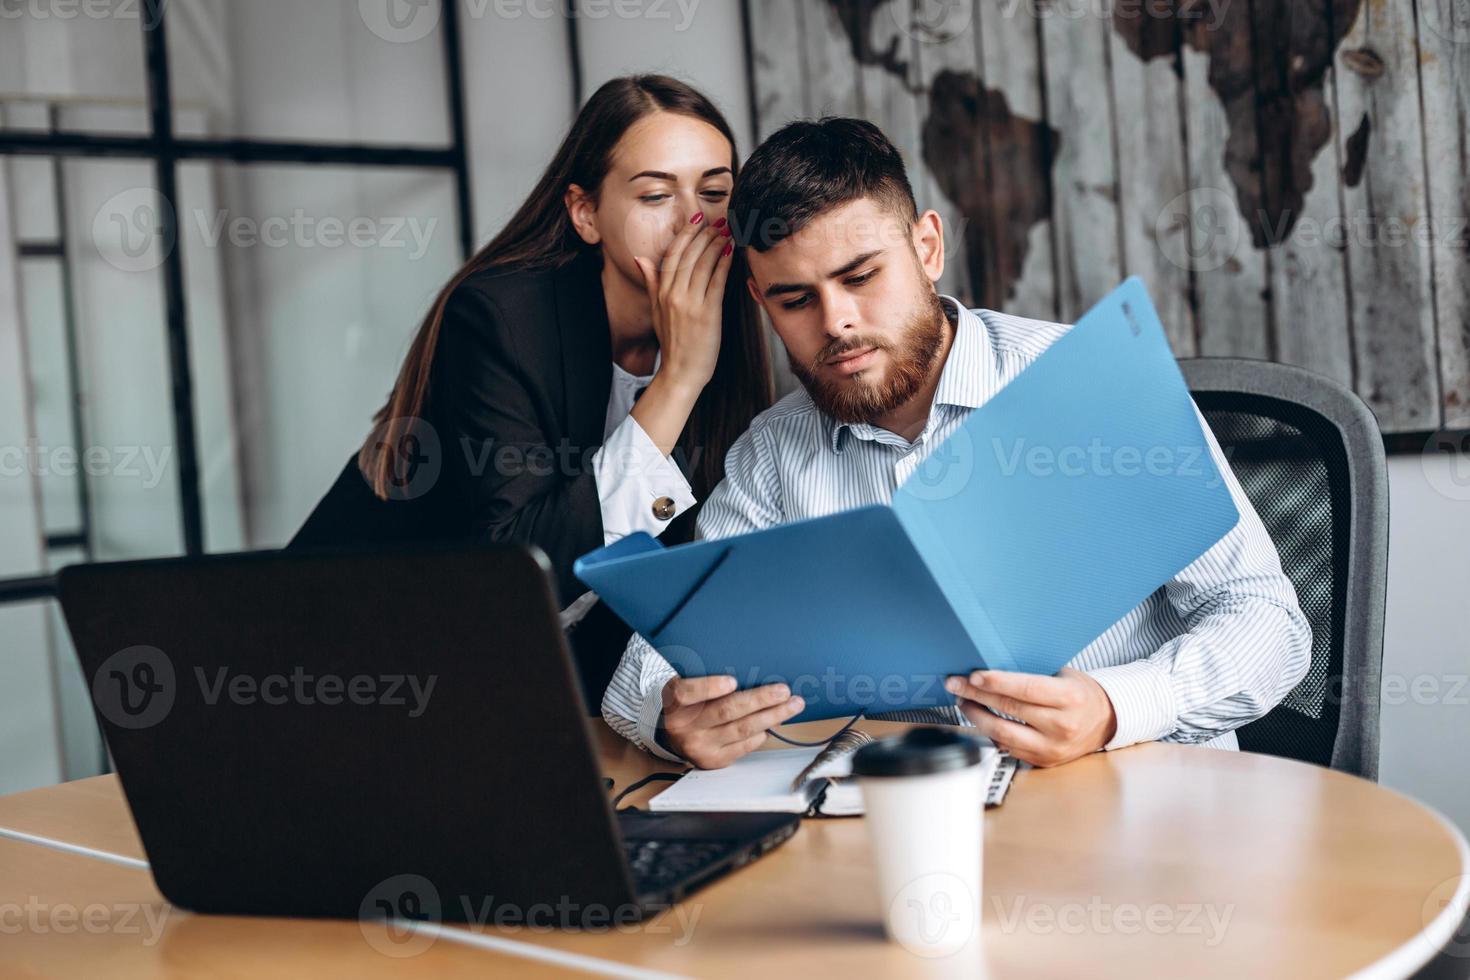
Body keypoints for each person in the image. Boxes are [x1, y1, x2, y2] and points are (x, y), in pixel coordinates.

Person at [602, 117, 1311, 769]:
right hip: (916, 819)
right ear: (760, 302)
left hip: (1137, 796)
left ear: (928, 247)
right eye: (796, 300)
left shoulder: (1091, 385)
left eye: (861, 277)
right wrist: (670, 719)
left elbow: (1269, 624)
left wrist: (1113, 708)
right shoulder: (774, 455)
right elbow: (658, 656)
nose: (837, 322)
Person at [290, 76, 773, 709]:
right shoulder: (499, 319)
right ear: (585, 213)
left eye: (715, 191)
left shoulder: (731, 324)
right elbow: (518, 573)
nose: (693, 218)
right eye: (655, 193)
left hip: (521, 688)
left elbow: (688, 568)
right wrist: (677, 381)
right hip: (342, 656)